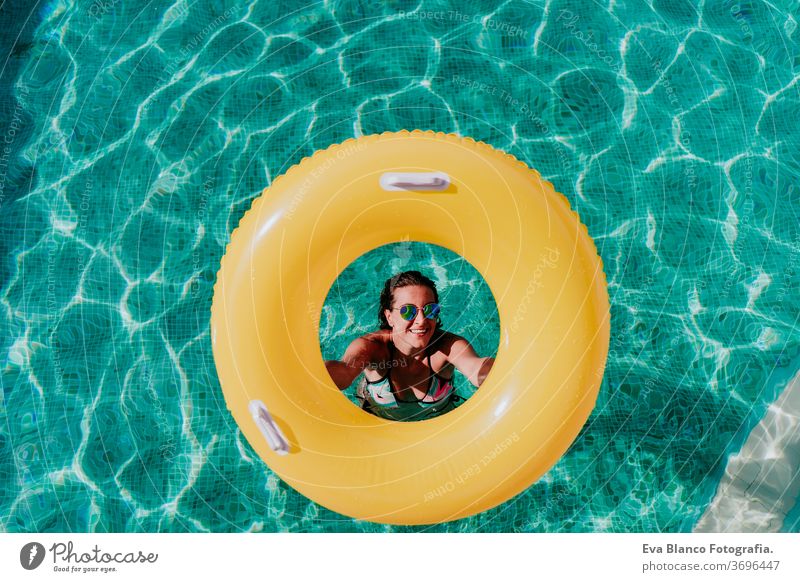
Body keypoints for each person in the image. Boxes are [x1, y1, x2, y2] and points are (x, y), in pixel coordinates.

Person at [324, 271, 495, 421]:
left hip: (436, 423)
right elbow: (343, 372)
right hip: (379, 423)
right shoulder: (373, 348)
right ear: (389, 316)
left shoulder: (449, 347)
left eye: (430, 310)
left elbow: (477, 368)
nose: (421, 320)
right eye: (408, 311)